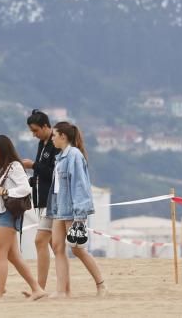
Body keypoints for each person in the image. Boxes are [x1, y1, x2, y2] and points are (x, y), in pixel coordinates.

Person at [0, 135, 47, 303]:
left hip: (8, 213)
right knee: (13, 255)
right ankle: (37, 289)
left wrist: (6, 192)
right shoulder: (3, 169)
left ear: (4, 150)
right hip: (3, 212)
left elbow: (25, 188)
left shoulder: (14, 167)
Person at [48, 121, 108, 298]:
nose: (52, 139)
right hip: (59, 207)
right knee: (57, 247)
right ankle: (61, 291)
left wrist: (79, 215)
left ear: (63, 136)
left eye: (54, 135)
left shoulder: (74, 156)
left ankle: (101, 284)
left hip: (72, 210)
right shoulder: (60, 157)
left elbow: (80, 185)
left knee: (77, 249)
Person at [21, 109, 57, 289]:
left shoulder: (56, 143)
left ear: (45, 126)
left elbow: (53, 174)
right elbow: (40, 174)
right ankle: (62, 283)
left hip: (52, 200)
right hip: (40, 199)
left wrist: (33, 165)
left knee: (40, 241)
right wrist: (27, 180)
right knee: (55, 245)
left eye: (35, 130)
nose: (34, 135)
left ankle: (39, 287)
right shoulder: (42, 143)